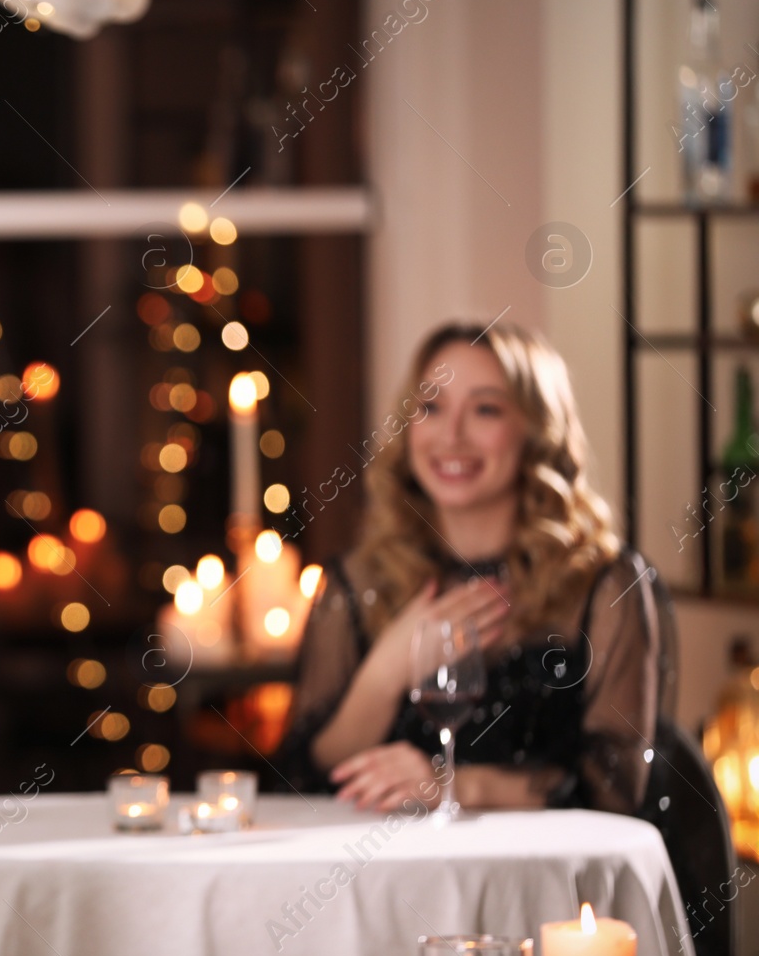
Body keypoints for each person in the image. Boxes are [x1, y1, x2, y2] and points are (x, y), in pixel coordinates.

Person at [277, 320, 661, 815]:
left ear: (537, 430)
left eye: (486, 409)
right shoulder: (357, 583)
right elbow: (301, 785)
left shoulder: (605, 586)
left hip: (551, 885)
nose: (451, 436)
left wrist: (456, 786)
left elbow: (617, 788)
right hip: (391, 883)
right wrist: (386, 671)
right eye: (431, 408)